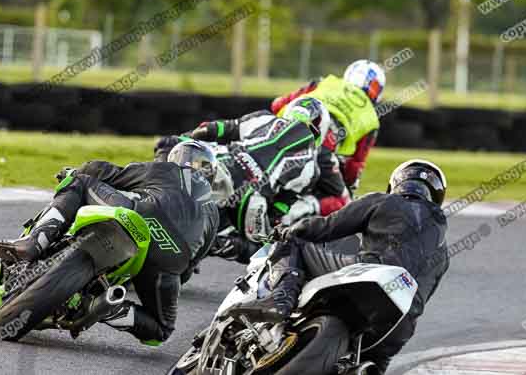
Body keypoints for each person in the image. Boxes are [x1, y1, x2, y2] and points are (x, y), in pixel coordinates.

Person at [229, 159, 450, 373]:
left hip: (372, 277)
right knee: (376, 363)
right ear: (436, 196)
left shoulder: (383, 201)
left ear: (396, 184)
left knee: (295, 242)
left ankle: (280, 300)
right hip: (402, 320)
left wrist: (292, 229)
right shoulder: (443, 252)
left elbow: (326, 227)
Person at [0, 141, 220, 345]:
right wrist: (165, 275)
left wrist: (75, 172)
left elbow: (107, 172)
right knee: (161, 329)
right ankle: (104, 307)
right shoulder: (214, 213)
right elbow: (188, 270)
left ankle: (35, 242)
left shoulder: (168, 169)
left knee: (81, 181)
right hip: (171, 258)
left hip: (141, 216)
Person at [156, 97, 349, 263]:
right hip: (251, 200)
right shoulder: (311, 170)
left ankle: (150, 184)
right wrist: (271, 223)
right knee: (264, 251)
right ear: (320, 130)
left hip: (222, 163)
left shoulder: (264, 118)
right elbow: (281, 206)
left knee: (167, 143)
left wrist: (187, 139)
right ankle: (220, 243)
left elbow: (217, 129)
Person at [271, 59, 386, 195]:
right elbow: (355, 166)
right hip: (322, 151)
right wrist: (348, 188)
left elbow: (277, 105)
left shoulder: (324, 82)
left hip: (280, 130)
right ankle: (304, 209)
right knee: (342, 201)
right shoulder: (371, 118)